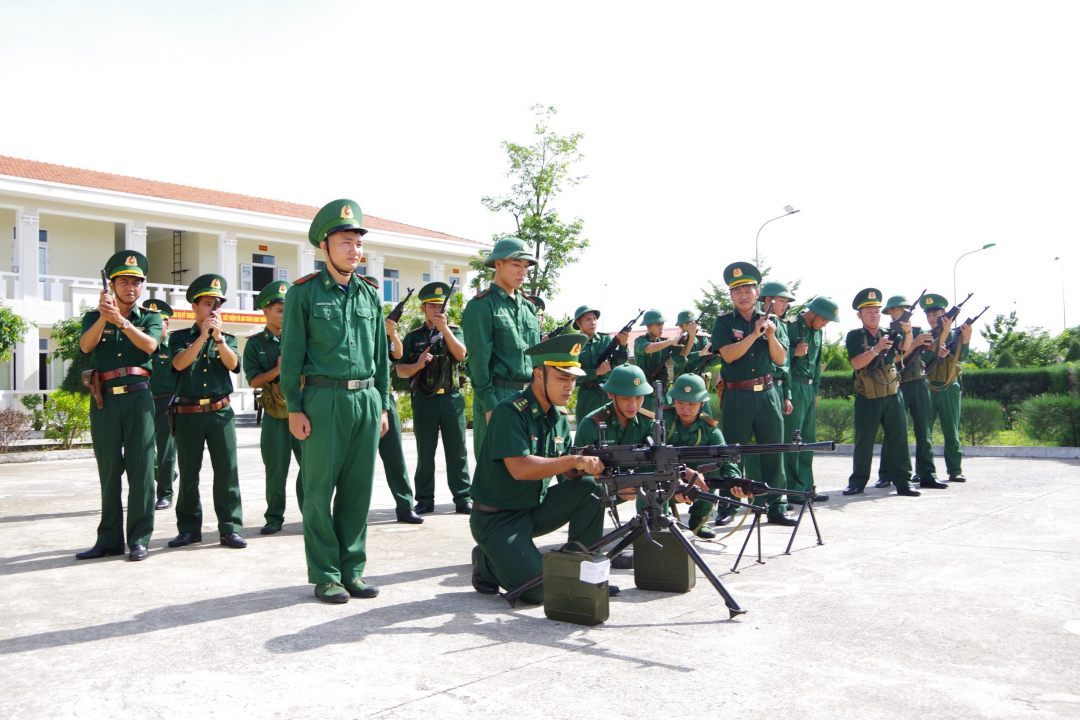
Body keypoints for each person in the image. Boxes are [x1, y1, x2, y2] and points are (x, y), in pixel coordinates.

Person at [281, 198, 389, 604]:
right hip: (322, 400)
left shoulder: (368, 295)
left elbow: (379, 356)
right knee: (318, 491)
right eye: (346, 242)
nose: (354, 250)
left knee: (358, 491)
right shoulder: (303, 294)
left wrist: (383, 406)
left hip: (366, 400)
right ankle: (326, 573)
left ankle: (353, 570)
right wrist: (294, 406)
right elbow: (290, 356)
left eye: (358, 243)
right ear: (324, 247)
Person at [468, 334, 612, 604]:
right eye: (562, 378)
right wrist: (572, 461)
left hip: (533, 511)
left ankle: (580, 568)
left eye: (572, 379)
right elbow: (519, 468)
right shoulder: (509, 412)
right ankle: (485, 562)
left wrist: (593, 466)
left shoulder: (557, 419)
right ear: (538, 374)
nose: (570, 386)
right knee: (539, 592)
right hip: (497, 520)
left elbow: (566, 474)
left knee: (590, 489)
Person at [75, 251, 162, 562]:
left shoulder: (150, 317)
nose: (131, 287)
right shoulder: (93, 315)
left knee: (141, 468)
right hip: (105, 398)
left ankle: (139, 538)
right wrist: (104, 316)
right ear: (111, 285)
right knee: (109, 469)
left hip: (138, 397)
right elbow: (86, 346)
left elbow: (150, 346)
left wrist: (122, 322)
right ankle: (110, 539)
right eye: (123, 281)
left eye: (136, 282)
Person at [710, 263, 796, 526]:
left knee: (773, 451)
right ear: (731, 296)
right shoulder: (723, 322)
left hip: (768, 394)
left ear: (757, 293)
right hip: (738, 395)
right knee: (732, 452)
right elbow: (728, 355)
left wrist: (769, 334)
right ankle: (728, 505)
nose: (743, 295)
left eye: (748, 289)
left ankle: (776, 506)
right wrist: (753, 333)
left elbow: (780, 358)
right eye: (737, 291)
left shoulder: (774, 322)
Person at [167, 273, 246, 549]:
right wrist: (202, 338)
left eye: (218, 305)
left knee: (227, 471)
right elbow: (178, 364)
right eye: (208, 304)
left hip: (219, 413)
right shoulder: (178, 338)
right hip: (187, 413)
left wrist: (219, 339)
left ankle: (230, 528)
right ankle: (189, 529)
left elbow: (234, 365)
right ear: (194, 307)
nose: (214, 310)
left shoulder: (229, 339)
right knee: (189, 473)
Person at [462, 237, 541, 458]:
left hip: (530, 393)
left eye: (525, 266)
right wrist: (489, 404)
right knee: (495, 468)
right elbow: (478, 362)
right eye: (516, 265)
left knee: (530, 462)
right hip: (498, 393)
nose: (522, 272)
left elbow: (537, 358)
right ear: (498, 264)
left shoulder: (529, 307)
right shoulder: (482, 305)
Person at [397, 281, 471, 515]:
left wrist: (445, 330)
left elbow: (460, 355)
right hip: (424, 400)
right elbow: (400, 370)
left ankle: (462, 497)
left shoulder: (454, 331)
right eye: (432, 306)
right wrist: (418, 364)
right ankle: (425, 499)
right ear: (423, 309)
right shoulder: (413, 337)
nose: (437, 310)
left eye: (441, 306)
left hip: (451, 399)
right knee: (425, 452)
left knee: (457, 450)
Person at [842, 288, 920, 497]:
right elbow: (857, 363)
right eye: (869, 312)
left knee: (899, 438)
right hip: (868, 393)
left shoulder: (889, 333)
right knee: (864, 440)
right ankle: (858, 481)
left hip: (892, 390)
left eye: (877, 311)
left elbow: (904, 348)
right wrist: (876, 349)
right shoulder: (854, 336)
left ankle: (903, 481)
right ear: (860, 315)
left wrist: (908, 330)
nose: (874, 315)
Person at [244, 281, 305, 535]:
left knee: (312, 467)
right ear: (265, 312)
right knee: (276, 469)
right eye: (280, 310)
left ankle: (312, 514)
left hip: (303, 410)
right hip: (274, 414)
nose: (285, 314)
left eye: (287, 309)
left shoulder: (302, 338)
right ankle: (274, 518)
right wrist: (278, 370)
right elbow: (253, 381)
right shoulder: (255, 344)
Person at [875, 295, 948, 490]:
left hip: (918, 382)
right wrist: (914, 344)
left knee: (924, 430)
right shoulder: (885, 334)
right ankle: (886, 474)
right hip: (896, 384)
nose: (903, 312)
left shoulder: (917, 331)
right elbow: (894, 360)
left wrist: (942, 334)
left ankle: (927, 473)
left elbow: (934, 347)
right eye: (898, 309)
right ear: (890, 312)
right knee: (893, 432)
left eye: (906, 308)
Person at [663, 374, 743, 539]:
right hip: (665, 479)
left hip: (695, 482)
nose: (685, 409)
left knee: (714, 464)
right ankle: (659, 517)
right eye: (680, 403)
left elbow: (727, 463)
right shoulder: (661, 421)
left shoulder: (710, 430)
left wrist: (737, 483)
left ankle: (699, 518)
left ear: (702, 404)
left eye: (691, 404)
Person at [740, 281, 796, 508]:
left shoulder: (779, 326)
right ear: (766, 299)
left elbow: (784, 363)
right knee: (741, 450)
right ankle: (738, 501)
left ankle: (775, 503)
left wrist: (787, 394)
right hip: (743, 391)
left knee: (774, 449)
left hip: (771, 389)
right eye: (780, 300)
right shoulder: (740, 322)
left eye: (785, 301)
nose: (784, 305)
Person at [783, 296, 839, 504]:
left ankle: (807, 486)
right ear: (813, 312)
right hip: (794, 386)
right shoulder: (790, 326)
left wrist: (815, 391)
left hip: (808, 389)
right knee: (793, 440)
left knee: (808, 440)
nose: (825, 324)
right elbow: (777, 358)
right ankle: (793, 489)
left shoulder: (817, 332)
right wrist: (793, 352)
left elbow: (816, 363)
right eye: (823, 320)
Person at [379, 311, 424, 523]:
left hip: (383, 396)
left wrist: (393, 335)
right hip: (354, 397)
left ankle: (405, 506)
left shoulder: (381, 328)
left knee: (394, 455)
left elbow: (396, 355)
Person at [924, 293, 973, 483]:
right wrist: (935, 351)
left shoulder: (955, 335)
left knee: (951, 431)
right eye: (928, 315)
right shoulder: (924, 337)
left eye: (935, 314)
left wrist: (966, 340)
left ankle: (955, 469)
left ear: (945, 314)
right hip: (927, 387)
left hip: (949, 387)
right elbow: (920, 360)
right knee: (924, 432)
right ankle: (924, 470)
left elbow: (962, 357)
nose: (931, 318)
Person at [141, 298, 177, 511]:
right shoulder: (140, 345)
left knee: (165, 450)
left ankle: (165, 493)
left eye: (160, 321)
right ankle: (167, 474)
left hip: (168, 404)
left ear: (167, 324)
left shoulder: (174, 346)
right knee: (141, 449)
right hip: (143, 403)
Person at [571, 304, 629, 424]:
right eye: (588, 319)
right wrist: (596, 372)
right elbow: (572, 375)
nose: (593, 322)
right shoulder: (574, 344)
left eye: (594, 319)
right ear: (578, 323)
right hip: (587, 395)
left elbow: (618, 363)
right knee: (586, 429)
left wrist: (623, 345)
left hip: (607, 394)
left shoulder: (606, 340)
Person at [633, 309, 682, 411]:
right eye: (658, 325)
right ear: (648, 326)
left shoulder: (664, 341)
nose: (661, 328)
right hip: (646, 394)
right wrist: (670, 342)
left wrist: (690, 335)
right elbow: (648, 348)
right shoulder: (640, 341)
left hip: (663, 391)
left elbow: (684, 352)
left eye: (662, 325)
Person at [671, 309, 709, 378]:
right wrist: (699, 353)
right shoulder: (676, 341)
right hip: (682, 381)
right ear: (681, 326)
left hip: (699, 381)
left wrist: (718, 355)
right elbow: (679, 362)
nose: (693, 326)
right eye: (688, 324)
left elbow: (710, 362)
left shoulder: (702, 339)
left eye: (693, 323)